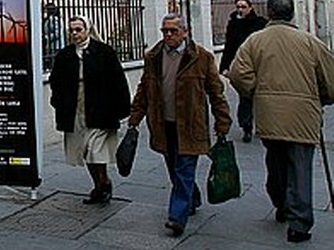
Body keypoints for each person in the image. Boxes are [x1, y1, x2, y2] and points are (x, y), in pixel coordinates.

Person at [229, 0, 334, 244]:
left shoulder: (255, 41)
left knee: (276, 163)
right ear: (292, 14)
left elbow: (238, 74)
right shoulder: (310, 41)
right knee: (300, 167)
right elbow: (330, 78)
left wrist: (256, 92)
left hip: (269, 115)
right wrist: (322, 96)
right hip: (303, 115)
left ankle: (281, 203)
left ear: (270, 12)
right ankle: (299, 223)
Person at [128, 12, 231, 237]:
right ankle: (191, 198)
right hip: (163, 124)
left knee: (184, 169)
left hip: (190, 125)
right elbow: (144, 89)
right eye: (165, 30)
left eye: (173, 30)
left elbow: (216, 92)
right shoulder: (153, 57)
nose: (168, 35)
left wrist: (222, 121)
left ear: (185, 32)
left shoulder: (201, 57)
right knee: (174, 168)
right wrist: (134, 118)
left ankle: (177, 217)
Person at [49, 15, 131, 204]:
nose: (75, 34)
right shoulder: (65, 55)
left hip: (100, 108)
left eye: (79, 29)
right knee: (84, 150)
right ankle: (98, 185)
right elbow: (56, 81)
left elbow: (117, 80)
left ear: (87, 29)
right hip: (75, 108)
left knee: (95, 149)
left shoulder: (104, 52)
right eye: (72, 30)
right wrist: (58, 101)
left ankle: (104, 182)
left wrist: (122, 107)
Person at [218, 0, 267, 142]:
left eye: (243, 7)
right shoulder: (233, 24)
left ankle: (262, 124)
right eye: (238, 6)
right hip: (241, 66)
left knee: (260, 97)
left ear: (250, 8)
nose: (240, 9)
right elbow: (229, 46)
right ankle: (246, 127)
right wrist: (224, 66)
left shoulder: (260, 23)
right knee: (245, 95)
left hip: (258, 65)